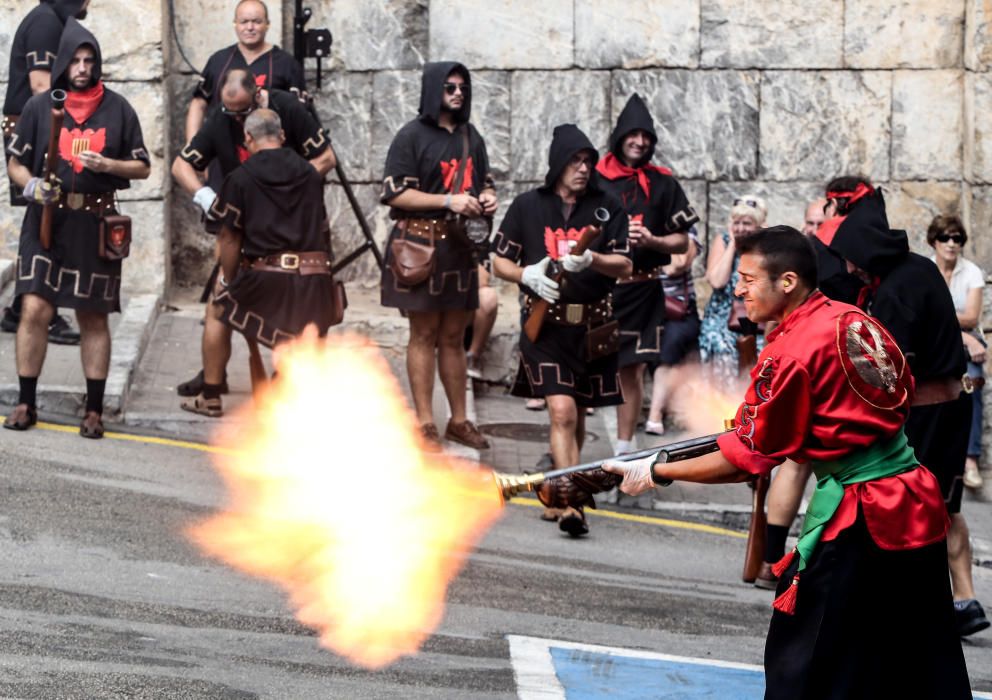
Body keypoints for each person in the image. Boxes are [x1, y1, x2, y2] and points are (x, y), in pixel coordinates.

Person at [604, 226, 971, 699]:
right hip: (915, 497)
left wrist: (657, 471)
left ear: (788, 281)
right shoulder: (854, 318)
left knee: (805, 657)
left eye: (749, 279)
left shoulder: (791, 351)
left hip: (863, 516)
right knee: (919, 653)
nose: (738, 289)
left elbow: (747, 458)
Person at [819, 177, 989, 637]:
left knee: (917, 509)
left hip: (928, 416)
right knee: (945, 508)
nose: (849, 269)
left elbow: (889, 378)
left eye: (852, 260)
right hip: (951, 408)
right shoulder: (915, 269)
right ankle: (963, 599)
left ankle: (921, 606)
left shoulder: (894, 291)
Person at [3, 19, 150, 437]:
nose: (83, 68)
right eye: (76, 61)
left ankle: (94, 410)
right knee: (34, 307)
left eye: (89, 60)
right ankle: (26, 402)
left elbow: (142, 166)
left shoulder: (118, 108)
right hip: (46, 221)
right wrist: (30, 184)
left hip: (94, 221)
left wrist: (109, 165)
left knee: (93, 315)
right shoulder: (39, 106)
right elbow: (15, 161)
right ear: (64, 63)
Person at [492, 123, 632, 536]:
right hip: (546, 327)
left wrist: (593, 261)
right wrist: (526, 275)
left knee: (578, 413)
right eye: (575, 161)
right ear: (557, 165)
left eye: (588, 161)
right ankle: (573, 504)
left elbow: (625, 265)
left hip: (591, 328)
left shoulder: (608, 206)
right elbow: (498, 261)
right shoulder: (528, 206)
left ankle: (559, 488)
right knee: (562, 411)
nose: (583, 168)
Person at [172, 68, 335, 408]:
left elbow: (326, 158)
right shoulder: (224, 123)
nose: (233, 118)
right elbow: (182, 166)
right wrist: (206, 197)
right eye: (229, 112)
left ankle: (212, 396)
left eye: (241, 113)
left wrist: (270, 192)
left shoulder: (286, 113)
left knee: (220, 303)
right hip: (309, 268)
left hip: (266, 258)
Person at [380, 61, 497, 451]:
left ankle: (459, 421)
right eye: (450, 87)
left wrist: (487, 198)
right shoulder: (411, 136)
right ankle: (425, 423)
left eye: (463, 87)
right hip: (421, 245)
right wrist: (448, 200)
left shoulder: (470, 136)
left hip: (460, 249)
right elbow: (395, 193)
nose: (458, 93)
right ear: (434, 89)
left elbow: (484, 182)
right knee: (424, 334)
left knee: (452, 337)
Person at [596, 94, 695, 456]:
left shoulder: (664, 183)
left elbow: (682, 240)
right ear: (620, 136)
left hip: (642, 289)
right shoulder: (595, 177)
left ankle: (624, 448)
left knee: (632, 370)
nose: (639, 142)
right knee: (591, 364)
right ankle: (571, 452)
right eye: (633, 135)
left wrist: (652, 239)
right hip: (600, 289)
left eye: (646, 137)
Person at [1, 0, 91, 345]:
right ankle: (41, 312)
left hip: (41, 128)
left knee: (45, 216)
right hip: (37, 130)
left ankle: (20, 308)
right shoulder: (45, 23)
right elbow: (41, 86)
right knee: (46, 217)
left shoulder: (51, 19)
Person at [184, 0, 304, 143]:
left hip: (269, 154)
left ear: (267, 24)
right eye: (244, 22)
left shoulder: (287, 64)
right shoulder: (218, 61)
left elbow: (299, 114)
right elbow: (198, 104)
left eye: (257, 21)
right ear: (235, 24)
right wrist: (192, 149)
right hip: (223, 151)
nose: (250, 27)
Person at [926, 215, 985, 490]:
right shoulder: (925, 268)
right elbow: (925, 315)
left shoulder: (970, 271)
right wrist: (957, 329)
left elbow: (972, 317)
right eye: (945, 238)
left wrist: (947, 321)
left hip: (963, 340)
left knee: (972, 381)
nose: (951, 244)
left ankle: (970, 459)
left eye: (957, 238)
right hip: (935, 339)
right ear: (934, 241)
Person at [698, 196, 766, 381]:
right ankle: (726, 406)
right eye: (736, 223)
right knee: (723, 347)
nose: (741, 228)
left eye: (747, 223)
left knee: (763, 351)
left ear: (759, 225)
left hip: (756, 318)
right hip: (722, 315)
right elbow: (718, 282)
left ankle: (754, 404)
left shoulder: (767, 245)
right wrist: (732, 247)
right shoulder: (724, 240)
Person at [645, 226, 703, 435]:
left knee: (670, 345)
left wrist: (650, 242)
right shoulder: (640, 223)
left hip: (678, 311)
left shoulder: (687, 231)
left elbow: (676, 265)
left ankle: (655, 414)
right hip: (643, 307)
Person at [465, 263, 498, 380]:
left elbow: (482, 279)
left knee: (488, 297)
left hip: (466, 309)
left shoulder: (480, 245)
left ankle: (472, 358)